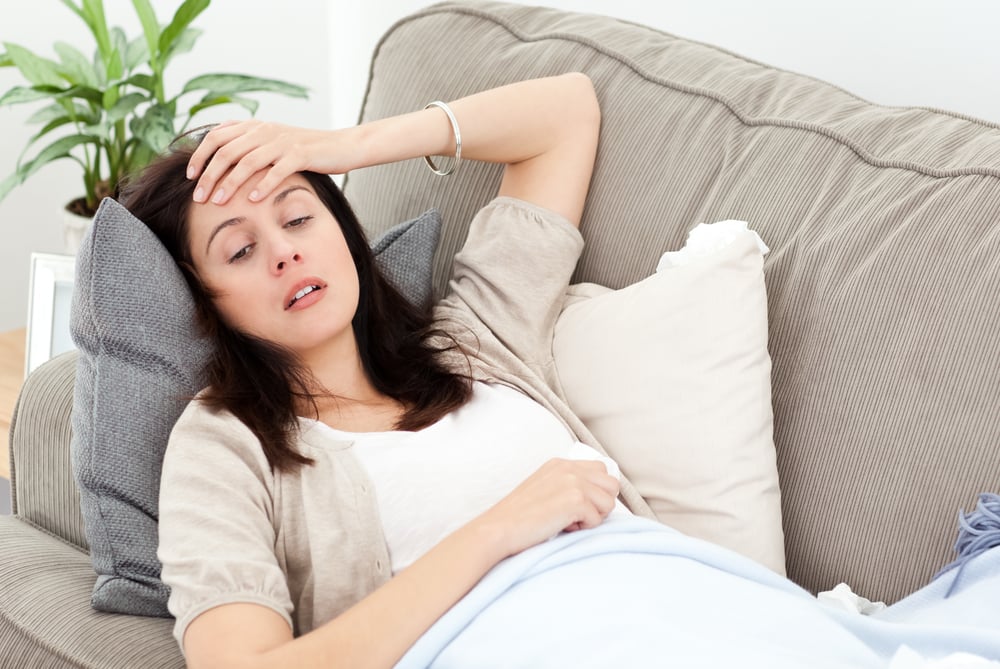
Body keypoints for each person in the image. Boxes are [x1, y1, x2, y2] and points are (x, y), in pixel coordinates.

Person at [121, 73, 645, 668]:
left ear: (344, 232)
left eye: (297, 219)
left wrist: (343, 149)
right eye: (240, 251)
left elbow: (565, 112)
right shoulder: (223, 446)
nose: (285, 252)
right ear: (203, 301)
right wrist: (501, 529)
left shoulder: (475, 338)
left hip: (696, 603)